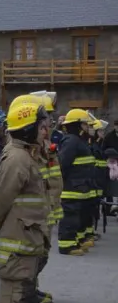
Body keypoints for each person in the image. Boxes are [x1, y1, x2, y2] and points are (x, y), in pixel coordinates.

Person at [0, 99, 51, 303]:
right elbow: (2, 196)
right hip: (18, 232)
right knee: (14, 281)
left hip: (27, 230)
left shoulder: (26, 154)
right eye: (40, 126)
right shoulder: (17, 158)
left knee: (23, 279)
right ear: (27, 129)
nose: (45, 131)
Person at [57, 109, 97, 255]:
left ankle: (76, 241)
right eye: (85, 124)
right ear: (77, 125)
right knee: (70, 218)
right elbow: (63, 165)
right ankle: (66, 246)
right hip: (72, 189)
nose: (87, 127)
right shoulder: (71, 141)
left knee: (78, 217)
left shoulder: (79, 141)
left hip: (80, 188)